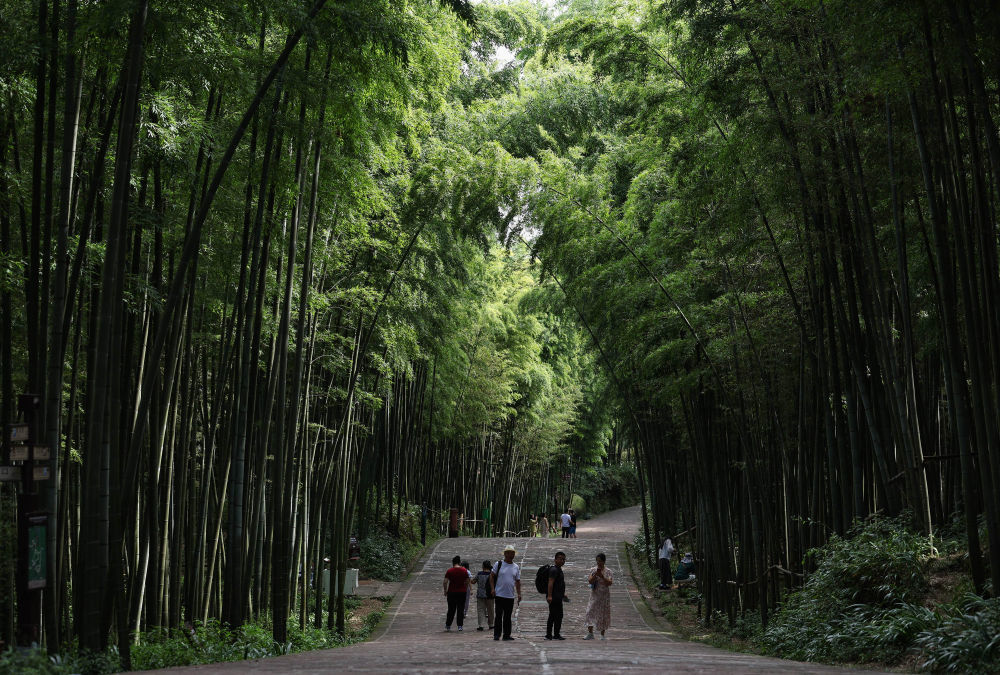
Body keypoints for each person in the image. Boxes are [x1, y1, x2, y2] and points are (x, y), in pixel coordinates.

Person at [490, 544, 522, 640]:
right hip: (499, 594)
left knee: (508, 617)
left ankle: (506, 635)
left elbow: (517, 581)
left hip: (510, 596)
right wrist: (492, 588)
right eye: (508, 553)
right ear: (505, 554)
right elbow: (491, 576)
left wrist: (519, 593)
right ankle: (497, 634)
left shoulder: (516, 567)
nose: (511, 555)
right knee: (499, 615)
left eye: (512, 553)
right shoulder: (498, 564)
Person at [584, 552, 613, 640]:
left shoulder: (608, 571)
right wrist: (596, 574)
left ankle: (602, 634)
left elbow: (609, 583)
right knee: (589, 612)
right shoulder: (593, 570)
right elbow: (590, 581)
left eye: (600, 561)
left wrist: (602, 576)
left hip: (604, 596)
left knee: (603, 614)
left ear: (604, 561)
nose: (598, 563)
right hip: (594, 595)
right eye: (597, 561)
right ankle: (590, 633)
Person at [545, 551, 568, 640]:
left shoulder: (559, 569)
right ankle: (550, 634)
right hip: (554, 597)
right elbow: (550, 583)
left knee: (557, 615)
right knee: (554, 616)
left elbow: (559, 584)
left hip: (558, 597)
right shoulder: (554, 570)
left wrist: (563, 594)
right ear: (555, 560)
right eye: (560, 559)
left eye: (563, 559)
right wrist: (549, 596)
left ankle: (554, 634)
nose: (562, 561)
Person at [443, 555, 468, 631]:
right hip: (462, 592)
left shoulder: (449, 571)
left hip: (452, 592)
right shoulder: (464, 570)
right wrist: (465, 589)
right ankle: (460, 626)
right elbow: (467, 581)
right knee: (460, 609)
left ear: (453, 563)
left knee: (451, 609)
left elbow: (445, 582)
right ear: (459, 562)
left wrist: (445, 590)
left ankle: (448, 625)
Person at [473, 560, 494, 631]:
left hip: (480, 594)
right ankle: (491, 624)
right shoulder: (492, 574)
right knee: (490, 610)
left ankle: (481, 625)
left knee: (480, 610)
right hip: (490, 594)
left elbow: (473, 581)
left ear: (483, 566)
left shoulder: (479, 574)